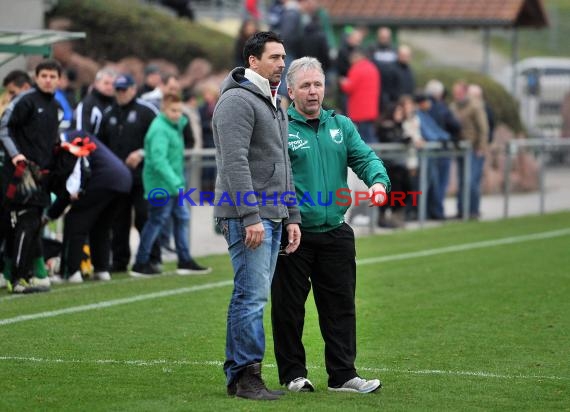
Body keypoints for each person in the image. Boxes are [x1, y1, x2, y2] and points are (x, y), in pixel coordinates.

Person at [271, 56, 390, 393]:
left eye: (318, 84)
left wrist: (378, 182)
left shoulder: (342, 125)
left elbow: (366, 158)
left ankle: (343, 376)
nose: (313, 92)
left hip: (336, 230)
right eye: (306, 86)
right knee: (289, 310)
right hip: (294, 233)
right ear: (291, 91)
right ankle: (294, 375)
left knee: (340, 308)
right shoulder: (280, 128)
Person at [212, 31, 301, 401]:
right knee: (252, 298)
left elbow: (284, 164)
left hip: (274, 213)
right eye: (275, 57)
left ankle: (239, 376)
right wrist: (249, 215)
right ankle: (248, 377)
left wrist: (292, 213)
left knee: (250, 295)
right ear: (253, 61)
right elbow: (234, 163)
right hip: (249, 215)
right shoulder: (237, 101)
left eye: (283, 57)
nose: (283, 63)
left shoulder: (274, 101)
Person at [0, 59, 63, 293]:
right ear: (36, 78)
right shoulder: (25, 101)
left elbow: (53, 140)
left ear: (59, 79)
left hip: (41, 177)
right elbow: (3, 128)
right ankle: (16, 279)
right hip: (20, 175)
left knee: (31, 226)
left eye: (52, 76)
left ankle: (24, 276)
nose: (48, 79)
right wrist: (17, 156)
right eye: (44, 75)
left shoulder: (55, 107)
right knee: (25, 223)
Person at [130, 94, 210, 276]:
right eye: (173, 111)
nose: (177, 114)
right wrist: (175, 181)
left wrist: (176, 182)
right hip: (161, 185)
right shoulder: (160, 129)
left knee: (181, 219)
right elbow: (159, 161)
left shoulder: (173, 127)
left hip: (173, 184)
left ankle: (184, 260)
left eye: (179, 111)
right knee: (156, 221)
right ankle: (140, 263)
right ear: (164, 109)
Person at [47, 131, 132, 283]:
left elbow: (72, 186)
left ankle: (70, 272)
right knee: (101, 226)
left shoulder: (69, 145)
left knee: (75, 222)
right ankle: (101, 269)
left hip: (103, 180)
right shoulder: (79, 136)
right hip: (123, 180)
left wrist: (50, 215)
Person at [98, 73, 161, 273]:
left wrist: (142, 153)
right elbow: (101, 144)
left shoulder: (147, 112)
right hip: (118, 177)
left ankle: (151, 258)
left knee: (144, 216)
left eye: (124, 89)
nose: (121, 93)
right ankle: (119, 259)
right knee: (119, 219)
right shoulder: (108, 114)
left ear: (134, 89)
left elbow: (160, 141)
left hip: (144, 176)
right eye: (118, 89)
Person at [75, 67, 117, 134]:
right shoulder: (88, 103)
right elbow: (82, 131)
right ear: (97, 83)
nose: (110, 87)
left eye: (113, 84)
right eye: (106, 83)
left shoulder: (116, 104)